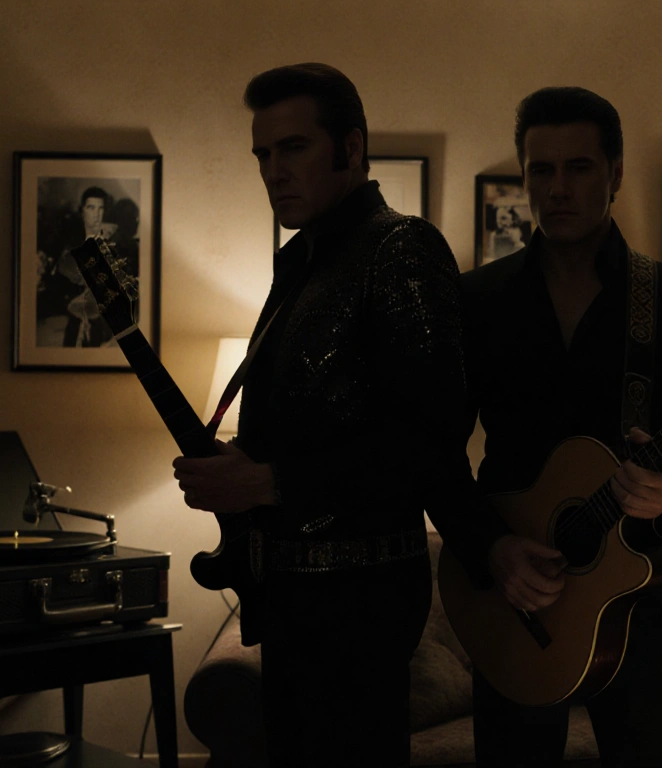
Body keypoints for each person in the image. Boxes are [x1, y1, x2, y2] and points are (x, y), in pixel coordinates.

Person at [168, 63, 471, 767]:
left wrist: (268, 483)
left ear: (353, 148)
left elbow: (430, 440)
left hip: (362, 599)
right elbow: (306, 420)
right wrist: (241, 469)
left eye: (294, 148)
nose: (274, 171)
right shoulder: (299, 260)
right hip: (295, 594)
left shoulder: (401, 247)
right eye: (263, 155)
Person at [452, 86, 662, 767]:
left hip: (640, 601)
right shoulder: (477, 301)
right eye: (541, 170)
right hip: (513, 603)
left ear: (615, 174)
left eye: (579, 168)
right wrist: (492, 548)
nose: (557, 187)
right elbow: (436, 454)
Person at [36, 185, 116, 347]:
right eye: (91, 208)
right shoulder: (70, 245)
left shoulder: (111, 245)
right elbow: (58, 281)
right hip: (73, 311)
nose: (96, 214)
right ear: (82, 211)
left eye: (100, 209)